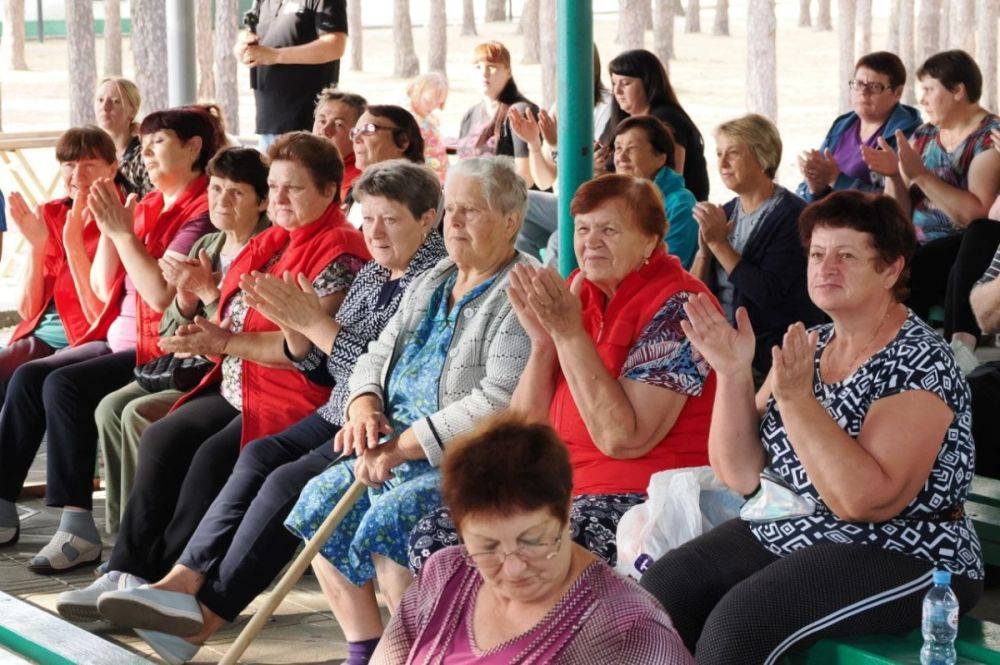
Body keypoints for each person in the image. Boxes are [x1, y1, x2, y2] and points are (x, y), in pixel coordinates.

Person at [76, 161, 449, 664]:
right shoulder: (378, 272)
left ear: (428, 220)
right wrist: (298, 328)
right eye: (370, 218)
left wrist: (310, 325)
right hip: (339, 405)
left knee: (281, 481)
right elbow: (322, 366)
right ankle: (179, 582)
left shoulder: (431, 278)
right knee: (257, 457)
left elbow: (392, 373)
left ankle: (203, 619)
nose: (375, 232)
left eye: (391, 220)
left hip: (383, 420)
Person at [639, 190, 983, 664]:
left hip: (909, 549)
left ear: (890, 270)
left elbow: (862, 502)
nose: (826, 268)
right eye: (818, 255)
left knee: (739, 625)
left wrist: (799, 401)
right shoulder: (812, 344)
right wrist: (733, 373)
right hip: (799, 527)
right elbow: (739, 473)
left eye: (846, 256)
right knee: (663, 590)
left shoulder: (920, 359)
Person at [83, 133, 368, 624]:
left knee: (211, 458)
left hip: (291, 395)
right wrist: (207, 322)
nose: (277, 199)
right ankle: (127, 572)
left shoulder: (340, 251)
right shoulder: (272, 241)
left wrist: (222, 341)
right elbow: (233, 320)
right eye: (274, 187)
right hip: (240, 383)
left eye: (292, 190)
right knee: (164, 437)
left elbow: (300, 353)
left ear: (329, 193)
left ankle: (170, 584)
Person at [278, 156, 532, 665]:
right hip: (390, 446)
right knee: (318, 499)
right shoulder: (435, 276)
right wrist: (364, 404)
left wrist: (399, 449)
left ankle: (413, 651)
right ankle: (365, 649)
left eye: (471, 212)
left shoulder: (519, 292)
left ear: (510, 221)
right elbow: (376, 351)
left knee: (394, 516)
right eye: (451, 210)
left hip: (464, 460)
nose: (454, 223)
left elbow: (497, 403)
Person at [409, 173, 715, 571]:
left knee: (524, 555)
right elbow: (524, 426)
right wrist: (542, 343)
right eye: (583, 229)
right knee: (435, 540)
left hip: (640, 500)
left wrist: (568, 335)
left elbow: (623, 439)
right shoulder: (577, 291)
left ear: (649, 241)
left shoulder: (679, 307)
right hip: (562, 491)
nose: (591, 241)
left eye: (609, 230)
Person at [0, 106, 222, 569]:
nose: (146, 153)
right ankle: (5, 507)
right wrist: (93, 236)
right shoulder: (146, 203)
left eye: (156, 142)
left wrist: (121, 235)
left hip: (161, 348)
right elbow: (104, 289)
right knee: (28, 378)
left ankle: (77, 524)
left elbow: (161, 297)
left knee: (65, 386)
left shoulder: (200, 211)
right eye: (142, 145)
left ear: (194, 147)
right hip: (118, 335)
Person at [375, 416, 695, 664]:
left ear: (567, 509)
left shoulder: (626, 627)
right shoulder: (445, 574)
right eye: (487, 547)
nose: (514, 568)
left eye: (533, 541)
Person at [95, 147, 271, 535]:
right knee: (110, 407)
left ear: (262, 201)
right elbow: (168, 331)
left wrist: (208, 295)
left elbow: (244, 330)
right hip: (193, 366)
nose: (221, 200)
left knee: (138, 414)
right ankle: (123, 527)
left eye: (236, 193)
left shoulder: (267, 249)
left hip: (235, 375)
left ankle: (148, 531)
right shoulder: (206, 246)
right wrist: (188, 299)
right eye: (216, 189)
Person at [864, 50, 1000, 362]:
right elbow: (897, 213)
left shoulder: (989, 138)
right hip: (922, 243)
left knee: (927, 262)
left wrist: (921, 176)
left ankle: (955, 354)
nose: (922, 100)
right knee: (897, 261)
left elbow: (977, 217)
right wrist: (894, 178)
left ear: (957, 91)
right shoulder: (923, 136)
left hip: (970, 244)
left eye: (929, 90)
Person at [689, 114, 820, 375]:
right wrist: (705, 253)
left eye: (733, 153)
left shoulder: (794, 216)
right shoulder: (725, 212)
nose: (722, 163)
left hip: (767, 355)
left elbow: (767, 294)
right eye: (718, 154)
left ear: (763, 156)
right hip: (716, 346)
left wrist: (719, 245)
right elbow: (691, 293)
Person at [0, 127, 117, 405]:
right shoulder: (52, 213)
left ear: (112, 168)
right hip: (40, 333)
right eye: (69, 165)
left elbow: (99, 314)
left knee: (35, 381)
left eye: (89, 164)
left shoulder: (121, 217)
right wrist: (37, 246)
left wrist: (74, 241)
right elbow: (28, 310)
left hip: (89, 337)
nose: (78, 175)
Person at [541, 115, 699, 268]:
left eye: (631, 149)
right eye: (618, 148)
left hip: (649, 288)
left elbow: (671, 264)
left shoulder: (681, 203)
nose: (621, 157)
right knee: (559, 238)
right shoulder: (615, 195)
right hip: (608, 277)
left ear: (660, 157)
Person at [797, 51, 921, 202]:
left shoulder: (910, 135)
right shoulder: (842, 125)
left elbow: (900, 204)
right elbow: (804, 191)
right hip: (827, 219)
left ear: (898, 92)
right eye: (858, 84)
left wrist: (837, 180)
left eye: (875, 87)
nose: (863, 92)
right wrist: (813, 189)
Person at [234, 0, 348, 148]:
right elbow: (250, 33)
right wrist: (242, 48)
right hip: (268, 120)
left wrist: (275, 55)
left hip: (307, 122)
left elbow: (335, 45)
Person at [599, 49, 709, 202]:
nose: (617, 91)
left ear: (648, 83)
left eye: (625, 83)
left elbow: (671, 182)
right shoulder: (619, 120)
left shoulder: (667, 119)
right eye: (614, 83)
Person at [455, 42, 539, 188]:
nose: (484, 73)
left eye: (492, 67)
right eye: (478, 67)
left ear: (508, 71)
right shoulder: (469, 116)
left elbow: (525, 179)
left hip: (518, 204)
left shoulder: (521, 112)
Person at [344, 105, 426, 227]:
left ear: (403, 142)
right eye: (354, 132)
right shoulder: (356, 191)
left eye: (368, 129)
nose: (356, 139)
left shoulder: (420, 198)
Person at [94, 77, 153, 198]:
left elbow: (153, 205)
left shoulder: (144, 155)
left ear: (133, 110)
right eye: (100, 100)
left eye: (116, 101)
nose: (105, 107)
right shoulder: (89, 153)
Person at [312, 86, 368, 200]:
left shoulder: (359, 184)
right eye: (322, 121)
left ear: (358, 135)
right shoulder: (300, 164)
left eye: (339, 125)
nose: (324, 130)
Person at [406, 72, 450, 182]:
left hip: (439, 178)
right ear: (416, 91)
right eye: (428, 101)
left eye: (438, 103)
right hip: (421, 180)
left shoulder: (427, 117)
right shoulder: (407, 119)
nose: (433, 107)